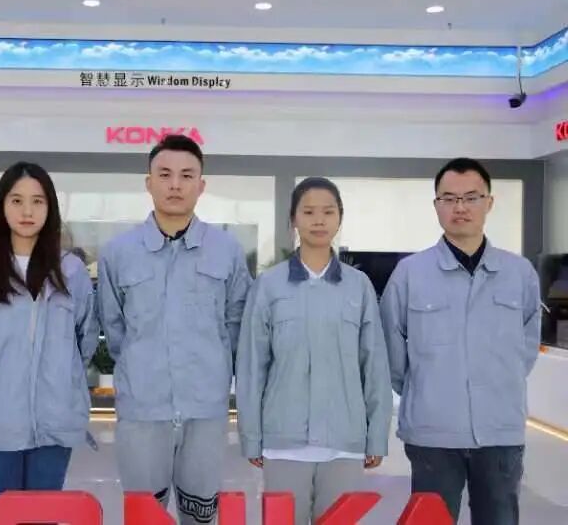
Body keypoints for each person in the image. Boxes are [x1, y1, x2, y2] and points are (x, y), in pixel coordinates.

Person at [96, 134, 252, 524]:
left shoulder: (226, 250)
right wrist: (142, 369)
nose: (175, 184)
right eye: (165, 174)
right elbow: (114, 329)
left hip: (206, 409)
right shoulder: (119, 253)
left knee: (200, 516)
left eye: (187, 175)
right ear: (148, 182)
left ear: (202, 185)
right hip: (142, 410)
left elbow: (236, 324)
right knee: (144, 516)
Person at [380, 158, 541, 524]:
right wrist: (426, 390)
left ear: (489, 202)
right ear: (436, 205)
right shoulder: (410, 273)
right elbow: (391, 350)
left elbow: (526, 347)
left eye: (471, 197)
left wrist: (498, 382)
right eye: (449, 199)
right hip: (432, 433)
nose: (460, 207)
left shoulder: (519, 273)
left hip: (499, 431)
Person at [0, 162, 98, 510]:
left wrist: (62, 375)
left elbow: (85, 338)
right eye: (17, 200)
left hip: (55, 418)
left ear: (50, 208)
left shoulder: (71, 272)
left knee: (44, 513)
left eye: (37, 201)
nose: (27, 211)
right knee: (1, 512)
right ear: (1, 206)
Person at [236, 177, 392, 524]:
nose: (318, 220)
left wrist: (376, 436)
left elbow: (374, 365)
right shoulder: (269, 285)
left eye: (328, 212)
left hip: (344, 443)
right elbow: (251, 366)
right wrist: (252, 436)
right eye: (308, 212)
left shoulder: (359, 286)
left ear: (340, 218)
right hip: (283, 442)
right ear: (293, 219)